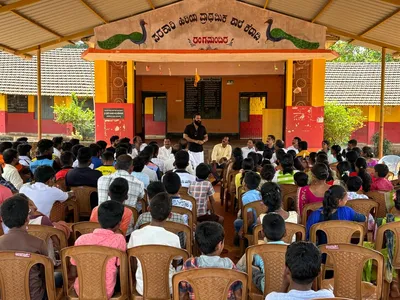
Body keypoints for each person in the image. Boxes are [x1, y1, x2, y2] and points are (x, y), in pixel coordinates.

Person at [0, 195, 53, 300]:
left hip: (5, 296)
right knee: (58, 278)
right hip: (35, 297)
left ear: (3, 219)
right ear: (27, 218)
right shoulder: (39, 243)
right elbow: (45, 276)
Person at [128, 192, 181, 296]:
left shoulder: (135, 235)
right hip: (168, 287)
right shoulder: (173, 238)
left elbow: (131, 257)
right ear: (170, 215)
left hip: (142, 287)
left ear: (148, 210)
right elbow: (178, 258)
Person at [73, 201, 126, 299]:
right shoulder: (119, 239)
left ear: (98, 219)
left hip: (81, 290)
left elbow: (73, 267)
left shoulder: (81, 239)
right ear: (119, 224)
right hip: (106, 291)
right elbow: (121, 267)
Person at [179, 221, 242, 299]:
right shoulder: (229, 265)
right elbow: (238, 295)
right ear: (219, 245)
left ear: (197, 244)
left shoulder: (189, 264)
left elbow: (182, 295)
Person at [265, 241, 335, 300]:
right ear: (319, 272)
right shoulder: (327, 296)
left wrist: (284, 285)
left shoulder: (272, 298)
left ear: (287, 270)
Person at [234, 171, 262, 238]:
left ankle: (245, 240)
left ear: (245, 184)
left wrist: (242, 229)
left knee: (237, 222)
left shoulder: (246, 197)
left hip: (254, 225)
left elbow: (250, 218)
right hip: (261, 223)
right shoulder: (259, 193)